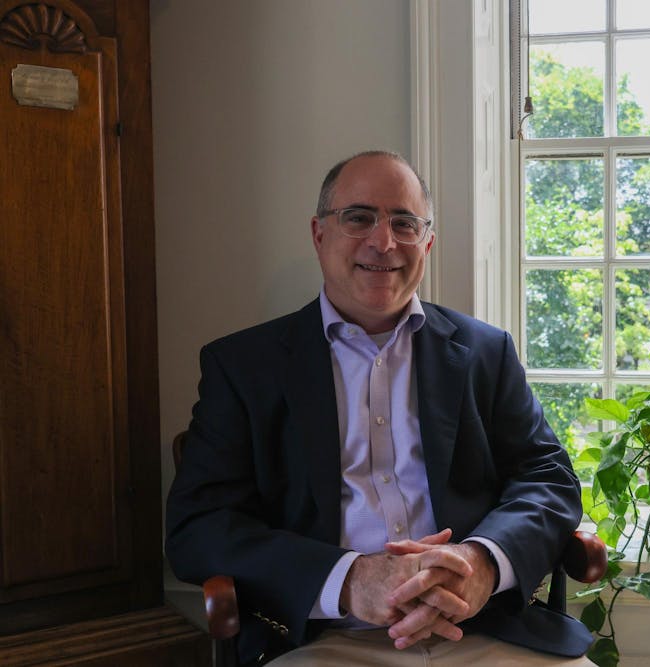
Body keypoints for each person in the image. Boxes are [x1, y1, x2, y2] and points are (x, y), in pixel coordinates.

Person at [165, 150, 592, 666]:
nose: (383, 241)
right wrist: (349, 579)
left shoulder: (486, 353)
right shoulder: (242, 366)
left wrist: (481, 562)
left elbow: (548, 477)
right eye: (359, 217)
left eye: (404, 223)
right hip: (321, 639)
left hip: (485, 631)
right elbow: (198, 529)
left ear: (427, 243)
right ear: (319, 234)